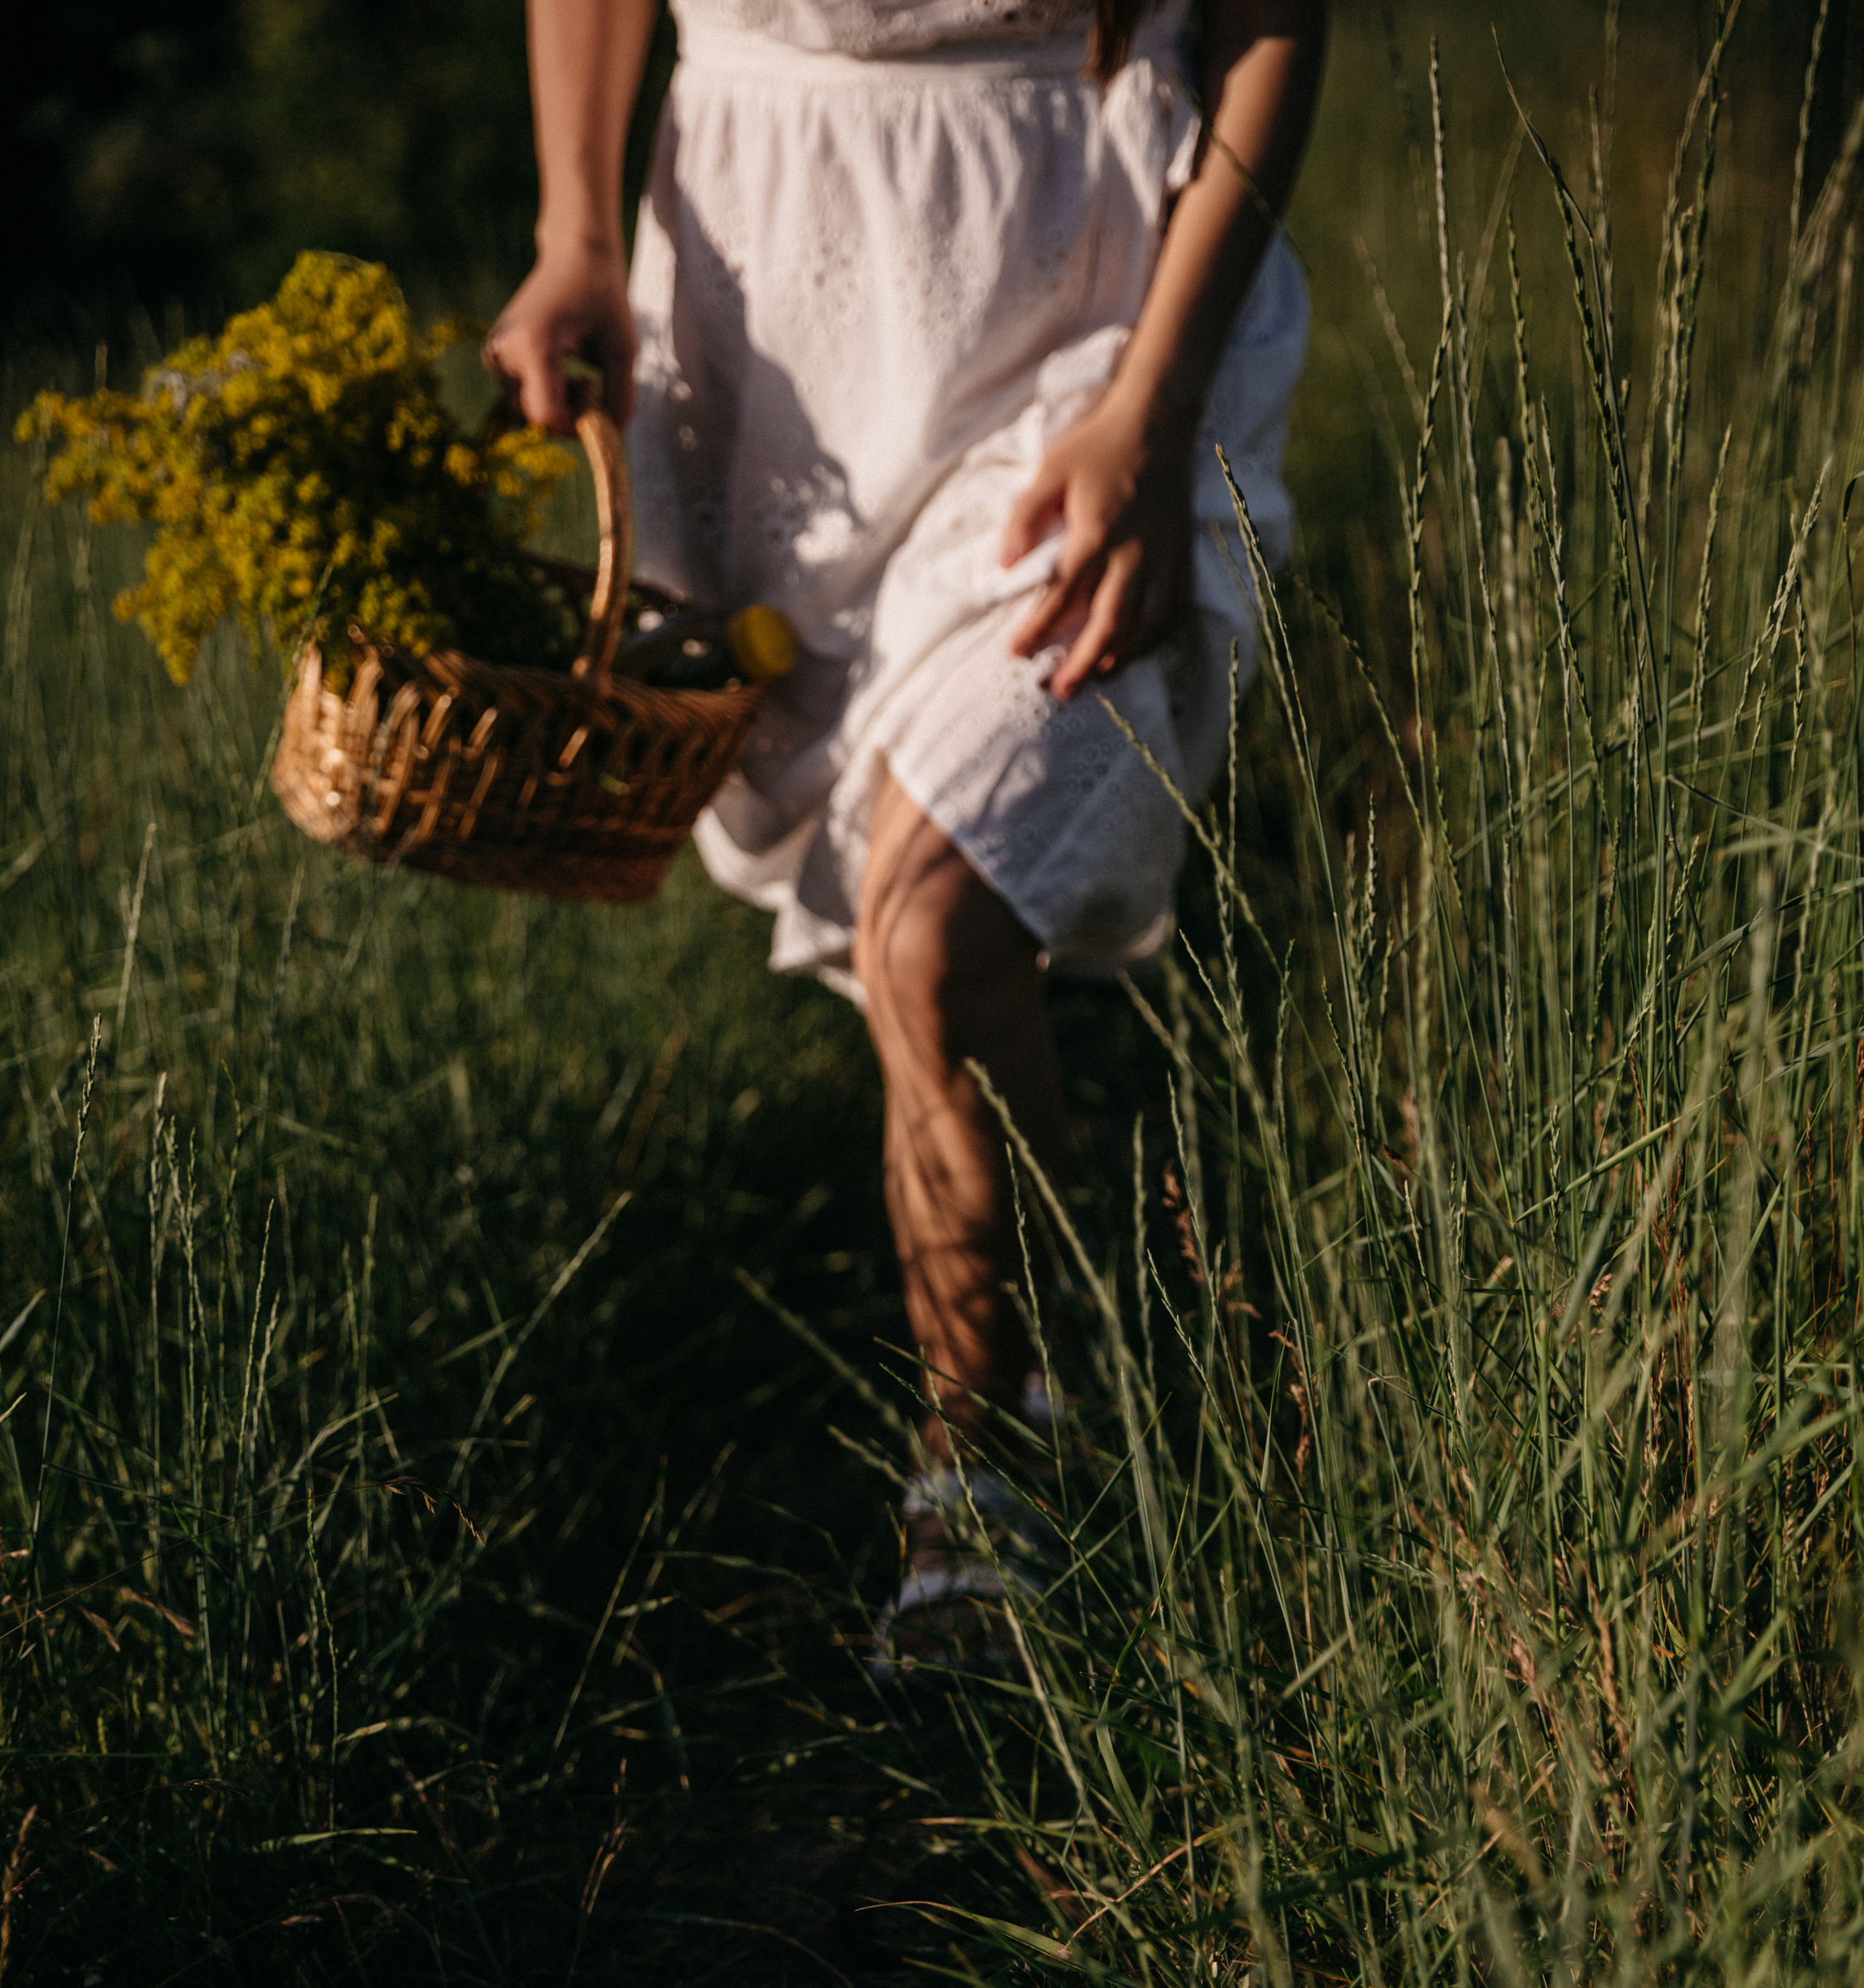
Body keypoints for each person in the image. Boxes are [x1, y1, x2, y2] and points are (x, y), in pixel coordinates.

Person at [488, 0, 1324, 1652]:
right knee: (892, 911)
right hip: (764, 329)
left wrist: (1150, 415)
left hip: (1090, 330)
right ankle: (1023, 1366)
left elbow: (1268, 24)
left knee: (932, 926)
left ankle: (984, 1443)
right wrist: (574, 235)